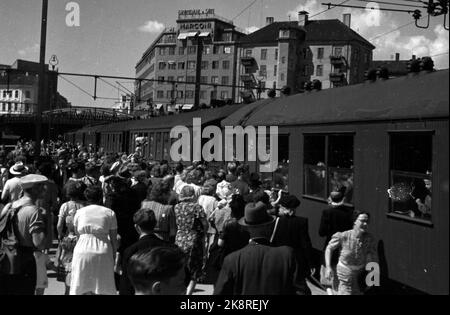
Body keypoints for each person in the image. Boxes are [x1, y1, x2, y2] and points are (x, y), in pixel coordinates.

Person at [214, 201, 302, 295]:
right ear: (270, 225)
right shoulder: (287, 255)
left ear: (246, 228)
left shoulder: (232, 260)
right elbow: (301, 291)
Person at [0, 174, 47, 295]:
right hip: (24, 262)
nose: (45, 189)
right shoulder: (33, 211)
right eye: (42, 186)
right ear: (34, 189)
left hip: (7, 259)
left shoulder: (10, 206)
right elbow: (40, 243)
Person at [70, 186, 118, 295]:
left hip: (82, 249)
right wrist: (114, 254)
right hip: (103, 249)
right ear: (101, 197)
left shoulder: (79, 212)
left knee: (81, 284)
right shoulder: (109, 212)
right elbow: (114, 239)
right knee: (104, 286)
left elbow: (77, 234)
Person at [119, 208, 174, 295]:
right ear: (155, 224)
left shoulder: (131, 251)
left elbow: (126, 284)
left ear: (137, 227)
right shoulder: (168, 248)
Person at [325, 211, 378, 295]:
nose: (365, 224)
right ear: (355, 221)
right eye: (362, 221)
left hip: (360, 274)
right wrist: (328, 267)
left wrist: (372, 276)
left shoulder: (369, 239)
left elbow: (372, 257)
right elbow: (329, 248)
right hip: (345, 273)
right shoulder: (343, 236)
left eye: (367, 221)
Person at [271, 194, 313, 295]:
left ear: (284, 208)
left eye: (280, 207)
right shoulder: (302, 222)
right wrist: (311, 262)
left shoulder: (276, 221)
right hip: (296, 260)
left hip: (279, 259)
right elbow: (306, 244)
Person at [175, 185, 208, 295]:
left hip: (179, 238)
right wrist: (204, 234)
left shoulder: (176, 207)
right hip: (194, 239)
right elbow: (205, 223)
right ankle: (188, 294)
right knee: (194, 268)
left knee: (181, 267)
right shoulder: (196, 207)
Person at [318, 191, 354, 291]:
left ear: (331, 199)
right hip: (345, 247)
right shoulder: (350, 212)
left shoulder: (327, 212)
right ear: (343, 199)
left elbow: (321, 232)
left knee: (328, 278)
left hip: (330, 247)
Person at [56, 180, 87, 295]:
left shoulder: (65, 205)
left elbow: (59, 225)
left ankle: (68, 291)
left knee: (68, 267)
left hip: (69, 238)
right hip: (83, 239)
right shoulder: (86, 205)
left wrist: (60, 235)